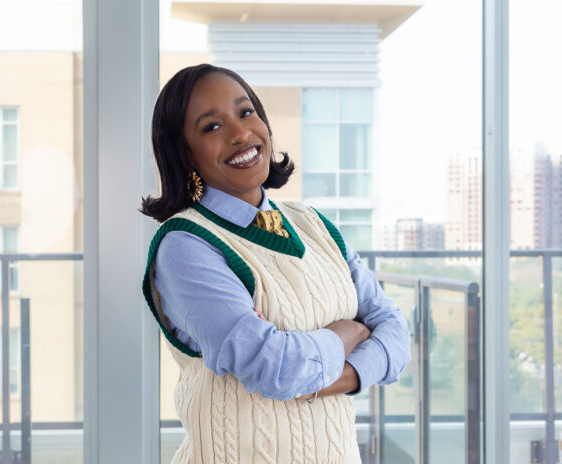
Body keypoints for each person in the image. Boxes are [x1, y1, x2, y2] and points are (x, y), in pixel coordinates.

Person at [141, 64, 410, 464]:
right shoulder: (186, 244)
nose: (240, 133)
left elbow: (396, 333)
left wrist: (327, 375)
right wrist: (348, 332)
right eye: (212, 127)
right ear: (186, 153)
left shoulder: (314, 224)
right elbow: (275, 367)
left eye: (246, 112)